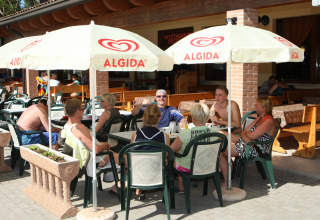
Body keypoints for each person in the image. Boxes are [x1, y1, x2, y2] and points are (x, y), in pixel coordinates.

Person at [98, 104, 170, 197]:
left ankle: (125, 183)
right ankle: (135, 186)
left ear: (144, 117)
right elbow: (166, 155)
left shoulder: (136, 134)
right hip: (156, 169)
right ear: (159, 118)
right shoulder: (165, 136)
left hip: (138, 167)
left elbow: (132, 153)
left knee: (118, 156)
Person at [219, 97, 277, 187]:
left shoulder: (269, 121)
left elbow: (252, 136)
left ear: (264, 108)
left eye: (257, 105)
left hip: (254, 148)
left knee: (220, 150)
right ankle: (229, 166)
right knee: (221, 134)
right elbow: (244, 131)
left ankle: (227, 180)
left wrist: (246, 136)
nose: (255, 106)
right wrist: (246, 137)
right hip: (246, 142)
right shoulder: (259, 118)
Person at [170, 103, 219, 193]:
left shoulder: (185, 134)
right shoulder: (215, 132)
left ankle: (181, 186)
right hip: (209, 166)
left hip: (188, 168)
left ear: (193, 118)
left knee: (176, 157)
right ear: (207, 117)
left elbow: (170, 150)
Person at [60, 99, 111, 176]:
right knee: (124, 159)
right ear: (77, 111)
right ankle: (119, 184)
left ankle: (115, 181)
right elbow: (96, 149)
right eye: (82, 109)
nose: (83, 111)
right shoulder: (79, 128)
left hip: (82, 157)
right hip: (92, 159)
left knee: (119, 156)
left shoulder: (67, 126)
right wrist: (106, 145)